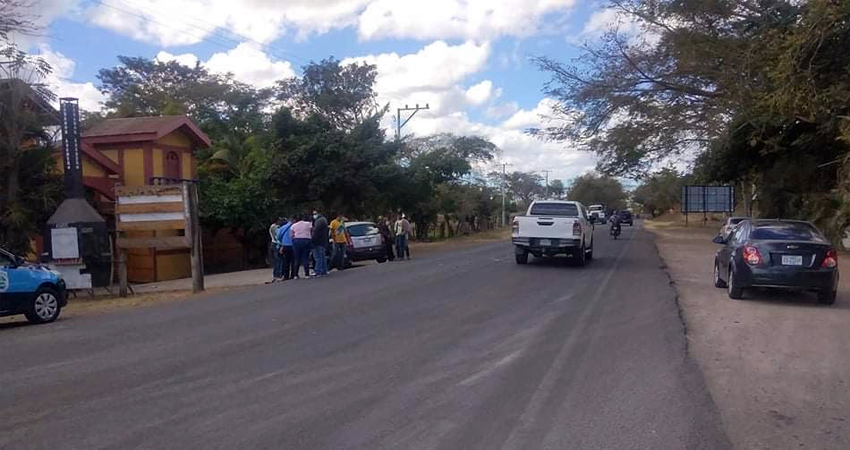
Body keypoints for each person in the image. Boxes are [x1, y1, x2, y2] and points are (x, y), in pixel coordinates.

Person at [291, 214, 313, 279]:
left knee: (297, 258)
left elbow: (291, 235)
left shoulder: (293, 225)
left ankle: (295, 275)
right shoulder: (308, 224)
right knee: (305, 257)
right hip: (306, 240)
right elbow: (312, 230)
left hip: (297, 241)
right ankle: (307, 274)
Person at [312, 212, 329, 277]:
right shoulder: (324, 220)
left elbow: (315, 233)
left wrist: (312, 240)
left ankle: (318, 271)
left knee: (318, 257)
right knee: (322, 257)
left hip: (317, 242)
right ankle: (324, 270)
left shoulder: (318, 221)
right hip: (323, 242)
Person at [269, 217, 284, 282]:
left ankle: (276, 274)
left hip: (273, 243)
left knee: (276, 260)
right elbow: (276, 237)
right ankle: (278, 274)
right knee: (278, 259)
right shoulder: (276, 227)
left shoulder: (272, 226)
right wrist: (280, 244)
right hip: (276, 244)